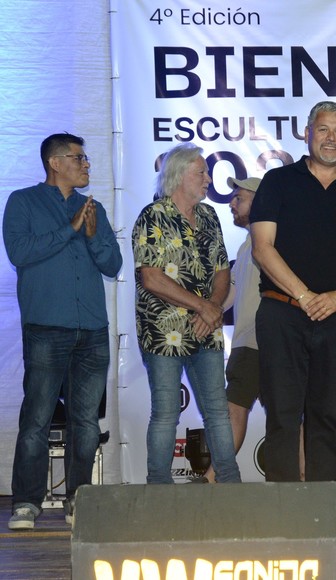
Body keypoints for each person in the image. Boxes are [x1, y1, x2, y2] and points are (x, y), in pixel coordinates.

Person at [249, 101, 336, 483]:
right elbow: (263, 247)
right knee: (283, 413)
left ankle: (322, 510)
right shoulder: (278, 181)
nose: (331, 138)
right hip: (283, 313)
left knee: (329, 414)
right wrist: (306, 296)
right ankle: (282, 509)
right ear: (307, 133)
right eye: (323, 129)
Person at [3, 133, 123, 530]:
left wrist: (90, 236)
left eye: (85, 158)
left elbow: (112, 264)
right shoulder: (22, 202)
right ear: (55, 163)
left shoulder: (94, 209)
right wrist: (70, 229)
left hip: (91, 329)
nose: (86, 164)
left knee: (86, 422)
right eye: (78, 157)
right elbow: (21, 252)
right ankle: (25, 504)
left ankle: (79, 500)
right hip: (46, 328)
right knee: (37, 418)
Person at [133, 142, 241, 485]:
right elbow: (151, 277)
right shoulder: (153, 216)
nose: (209, 179)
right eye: (202, 172)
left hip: (206, 328)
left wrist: (212, 310)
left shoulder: (209, 215)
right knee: (165, 414)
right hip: (163, 332)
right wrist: (203, 306)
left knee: (218, 413)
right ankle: (159, 488)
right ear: (179, 176)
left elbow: (223, 271)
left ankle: (229, 482)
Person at [201, 176, 261, 484]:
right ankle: (213, 477)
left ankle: (302, 483)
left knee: (290, 417)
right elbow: (229, 296)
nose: (232, 203)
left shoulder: (276, 240)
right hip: (246, 344)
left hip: (270, 342)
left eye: (240, 198)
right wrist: (201, 313)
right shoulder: (246, 245)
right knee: (233, 412)